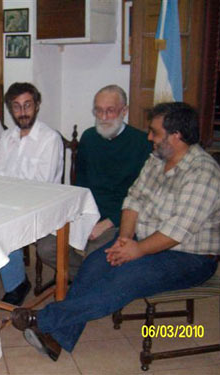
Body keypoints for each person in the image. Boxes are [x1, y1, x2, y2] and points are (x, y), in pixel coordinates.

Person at [10, 102, 220, 361]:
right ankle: (59, 338)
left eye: (155, 133)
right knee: (95, 264)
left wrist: (135, 250)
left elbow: (177, 231)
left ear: (177, 136)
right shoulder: (158, 159)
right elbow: (133, 200)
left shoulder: (204, 175)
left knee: (122, 278)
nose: (149, 137)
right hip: (145, 238)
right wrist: (124, 240)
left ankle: (43, 318)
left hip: (190, 257)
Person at [37, 85, 152, 278]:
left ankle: (92, 280)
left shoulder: (142, 143)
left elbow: (143, 198)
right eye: (98, 110)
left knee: (95, 257)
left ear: (124, 111)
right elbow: (81, 185)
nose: (103, 117)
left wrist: (106, 223)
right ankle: (91, 280)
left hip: (119, 218)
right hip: (87, 211)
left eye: (110, 110)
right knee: (46, 247)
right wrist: (80, 216)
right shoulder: (89, 137)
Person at [0, 82, 64, 305]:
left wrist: (9, 193)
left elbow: (42, 185)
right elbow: (0, 176)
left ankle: (16, 283)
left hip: (42, 206)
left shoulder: (49, 138)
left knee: (2, 225)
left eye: (27, 105)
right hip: (11, 203)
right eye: (16, 107)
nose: (22, 112)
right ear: (10, 109)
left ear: (37, 105)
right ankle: (12, 278)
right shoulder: (7, 138)